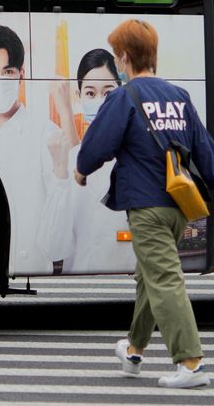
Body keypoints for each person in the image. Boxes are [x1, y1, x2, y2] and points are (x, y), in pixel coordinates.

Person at [75, 19, 214, 388]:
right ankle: (133, 350)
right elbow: (203, 147)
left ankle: (191, 363)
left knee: (164, 278)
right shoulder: (178, 96)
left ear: (123, 57)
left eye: (117, 56)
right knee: (149, 277)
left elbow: (97, 146)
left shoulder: (123, 97)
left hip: (146, 205)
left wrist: (81, 171)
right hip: (179, 205)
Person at [0, 25, 72, 275]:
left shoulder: (44, 133)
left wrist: (60, 174)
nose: (0, 80)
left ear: (21, 74)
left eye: (8, 71)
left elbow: (56, 246)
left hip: (33, 271)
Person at [50, 49, 137, 274]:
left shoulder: (136, 154)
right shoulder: (68, 159)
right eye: (90, 93)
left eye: (108, 93)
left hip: (129, 272)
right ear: (79, 95)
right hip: (80, 278)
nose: (99, 101)